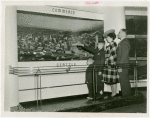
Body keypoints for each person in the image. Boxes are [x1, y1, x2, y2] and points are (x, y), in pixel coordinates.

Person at [102, 29, 119, 98]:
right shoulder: (110, 45)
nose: (106, 39)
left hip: (112, 65)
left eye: (107, 38)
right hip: (109, 65)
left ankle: (114, 93)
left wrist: (114, 64)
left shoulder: (113, 44)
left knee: (113, 81)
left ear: (111, 37)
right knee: (112, 81)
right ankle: (113, 93)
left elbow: (115, 55)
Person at [117, 29, 132, 96]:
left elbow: (124, 55)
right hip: (123, 64)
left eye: (119, 32)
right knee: (123, 80)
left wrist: (120, 66)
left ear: (123, 33)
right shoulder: (122, 42)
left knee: (124, 81)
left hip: (123, 65)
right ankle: (126, 96)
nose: (118, 34)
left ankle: (126, 96)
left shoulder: (124, 42)